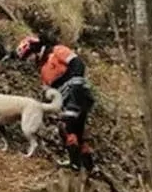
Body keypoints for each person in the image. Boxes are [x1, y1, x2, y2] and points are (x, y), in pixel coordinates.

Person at [9, 33, 96, 171]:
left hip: (77, 92)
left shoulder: (57, 51)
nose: (28, 61)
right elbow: (49, 93)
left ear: (34, 50)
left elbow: (78, 65)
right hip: (65, 98)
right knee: (74, 131)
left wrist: (69, 84)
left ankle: (75, 164)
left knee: (68, 125)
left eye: (28, 56)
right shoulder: (43, 71)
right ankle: (88, 166)